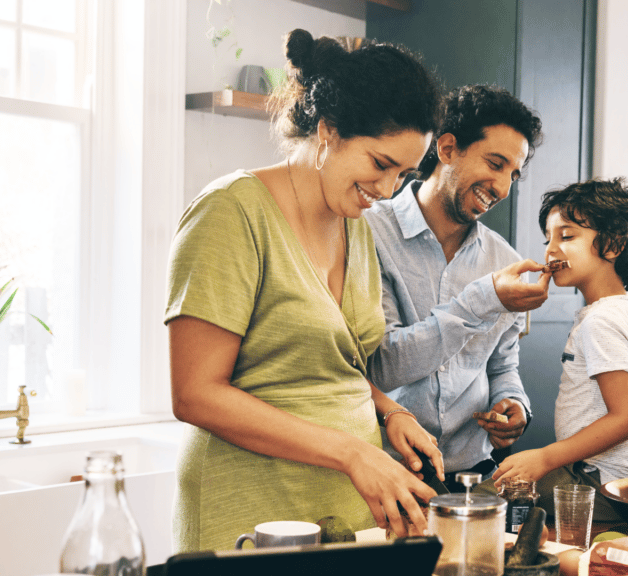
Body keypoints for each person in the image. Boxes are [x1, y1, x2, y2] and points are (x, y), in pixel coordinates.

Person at [164, 29, 445, 552]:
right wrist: (353, 453)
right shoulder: (230, 212)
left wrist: (389, 410)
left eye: (405, 174)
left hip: (343, 512)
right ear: (327, 130)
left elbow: (325, 362)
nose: (387, 190)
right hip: (249, 510)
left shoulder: (355, 224)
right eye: (380, 164)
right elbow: (194, 393)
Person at [365, 85, 548, 491]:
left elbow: (502, 366)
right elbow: (383, 364)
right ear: (447, 148)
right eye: (495, 163)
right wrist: (484, 299)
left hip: (472, 474)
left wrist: (514, 406)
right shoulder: (368, 233)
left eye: (513, 175)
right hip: (386, 473)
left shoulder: (504, 260)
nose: (502, 187)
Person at [490, 177, 628, 521]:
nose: (550, 250)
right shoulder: (627, 309)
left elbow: (626, 419)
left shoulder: (600, 322)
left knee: (486, 502)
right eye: (548, 238)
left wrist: (544, 458)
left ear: (613, 244)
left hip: (603, 482)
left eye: (567, 236)